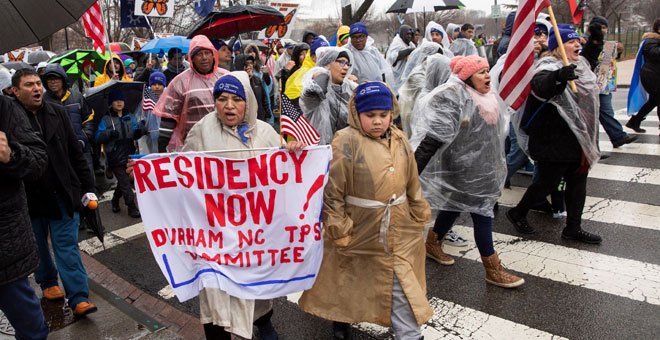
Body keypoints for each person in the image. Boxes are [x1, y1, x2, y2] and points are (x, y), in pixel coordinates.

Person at [299, 82, 433, 340]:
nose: (377, 122)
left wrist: (418, 210)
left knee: (399, 282)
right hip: (359, 226)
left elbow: (412, 179)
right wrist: (339, 227)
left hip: (398, 227)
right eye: (370, 115)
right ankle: (341, 317)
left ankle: (409, 334)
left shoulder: (399, 138)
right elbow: (334, 191)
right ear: (356, 114)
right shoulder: (346, 141)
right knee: (348, 276)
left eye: (383, 115)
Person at [179, 72, 304, 340]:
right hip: (215, 231)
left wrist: (292, 149)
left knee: (255, 286)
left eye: (237, 99)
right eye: (221, 99)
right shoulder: (202, 130)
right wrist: (148, 172)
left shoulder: (266, 132)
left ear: (247, 102)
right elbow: (180, 170)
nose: (229, 105)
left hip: (253, 232)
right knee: (215, 293)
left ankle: (264, 324)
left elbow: (284, 169)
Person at [410, 55, 525, 288]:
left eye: (487, 70)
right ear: (466, 77)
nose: (487, 76)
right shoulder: (453, 96)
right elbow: (432, 140)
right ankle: (492, 269)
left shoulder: (487, 96)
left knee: (453, 205)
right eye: (481, 72)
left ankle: (432, 243)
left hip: (484, 167)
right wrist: (411, 173)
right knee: (482, 213)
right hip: (463, 168)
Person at [12, 68, 98, 317]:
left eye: (38, 83)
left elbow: (75, 152)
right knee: (38, 244)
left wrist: (88, 187)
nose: (37, 88)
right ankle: (48, 283)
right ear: (15, 92)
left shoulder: (58, 113)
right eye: (29, 85)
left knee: (67, 246)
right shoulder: (10, 118)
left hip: (62, 192)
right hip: (29, 196)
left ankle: (79, 296)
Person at [506, 26, 602, 244]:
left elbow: (591, 71)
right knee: (546, 184)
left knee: (578, 183)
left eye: (578, 40)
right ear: (558, 46)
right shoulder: (547, 65)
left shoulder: (580, 65)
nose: (577, 44)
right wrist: (558, 76)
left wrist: (596, 43)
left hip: (577, 138)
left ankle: (573, 228)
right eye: (571, 41)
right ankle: (518, 213)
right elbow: (539, 88)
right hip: (552, 138)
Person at [0, 95, 49, 340]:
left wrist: (11, 155)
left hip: (6, 254)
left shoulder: (3, 107)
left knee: (32, 330)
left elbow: (39, 160)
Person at [154, 35, 228, 152]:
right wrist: (162, 150)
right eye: (199, 54)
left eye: (207, 53)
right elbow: (169, 118)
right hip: (193, 146)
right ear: (192, 58)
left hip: (224, 144)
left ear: (213, 55)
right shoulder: (180, 82)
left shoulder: (226, 77)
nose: (204, 58)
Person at [581, 17, 638, 148]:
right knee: (592, 117)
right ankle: (594, 146)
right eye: (602, 27)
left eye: (605, 27)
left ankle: (617, 136)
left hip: (604, 84)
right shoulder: (584, 41)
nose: (604, 30)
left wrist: (617, 50)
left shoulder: (605, 43)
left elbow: (607, 62)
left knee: (606, 112)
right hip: (590, 84)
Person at [96, 90, 145, 218]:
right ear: (111, 103)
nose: (119, 102)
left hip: (129, 154)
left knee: (125, 182)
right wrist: (108, 134)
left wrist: (139, 132)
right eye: (116, 100)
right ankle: (131, 207)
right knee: (125, 184)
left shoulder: (130, 116)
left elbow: (134, 132)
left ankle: (115, 200)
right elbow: (98, 137)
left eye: (121, 100)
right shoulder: (106, 119)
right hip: (115, 156)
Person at [300, 47, 357, 145]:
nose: (346, 67)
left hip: (343, 149)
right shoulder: (316, 84)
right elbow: (315, 92)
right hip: (319, 150)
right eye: (341, 62)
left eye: (348, 64)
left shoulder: (349, 88)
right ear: (327, 64)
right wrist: (320, 73)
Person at [626, 18, 660, 133]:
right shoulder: (651, 40)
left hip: (655, 75)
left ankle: (634, 121)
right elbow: (655, 54)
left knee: (654, 101)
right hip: (651, 76)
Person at [284, 37, 328, 103]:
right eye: (301, 54)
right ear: (312, 56)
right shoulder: (303, 73)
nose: (304, 56)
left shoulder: (329, 68)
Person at [137, 71, 166, 154]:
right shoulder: (146, 99)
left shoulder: (168, 98)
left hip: (164, 135)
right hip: (149, 135)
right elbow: (140, 115)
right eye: (154, 84)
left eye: (160, 84)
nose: (157, 87)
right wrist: (141, 123)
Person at [386, 24, 417, 92]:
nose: (409, 36)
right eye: (407, 34)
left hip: (406, 75)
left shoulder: (411, 44)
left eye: (411, 34)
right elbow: (393, 57)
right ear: (402, 34)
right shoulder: (397, 43)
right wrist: (409, 51)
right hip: (396, 75)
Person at [244, 56, 272, 122]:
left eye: (251, 63)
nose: (249, 66)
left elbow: (264, 97)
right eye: (247, 64)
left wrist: (267, 112)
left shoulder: (257, 79)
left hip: (260, 114)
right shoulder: (240, 80)